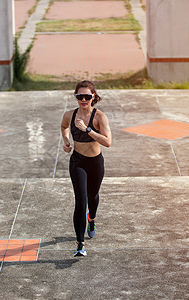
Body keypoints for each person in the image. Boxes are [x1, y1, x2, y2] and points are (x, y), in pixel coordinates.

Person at [60, 80, 112, 257]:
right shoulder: (69, 115)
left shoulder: (99, 117)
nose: (83, 99)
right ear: (76, 97)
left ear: (93, 97)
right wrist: (66, 141)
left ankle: (92, 219)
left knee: (93, 196)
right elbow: (63, 126)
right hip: (77, 162)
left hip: (95, 163)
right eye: (79, 96)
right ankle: (80, 244)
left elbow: (108, 142)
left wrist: (88, 129)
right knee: (81, 201)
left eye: (87, 96)